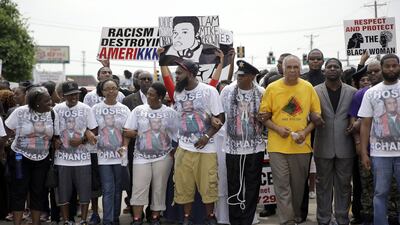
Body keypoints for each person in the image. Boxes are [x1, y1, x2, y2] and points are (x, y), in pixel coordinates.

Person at [258, 55, 321, 225]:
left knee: (298, 187)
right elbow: (263, 116)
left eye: (295, 67)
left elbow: (316, 119)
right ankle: (287, 220)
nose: (292, 70)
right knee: (282, 186)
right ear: (283, 69)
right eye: (289, 67)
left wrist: (304, 132)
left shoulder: (308, 88)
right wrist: (278, 129)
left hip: (302, 146)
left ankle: (295, 215)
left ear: (301, 69)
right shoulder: (272, 88)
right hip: (277, 147)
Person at [164, 58, 225, 225]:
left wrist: (206, 136)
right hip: (184, 147)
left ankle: (210, 218)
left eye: (179, 73)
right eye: (175, 73)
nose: (176, 76)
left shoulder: (209, 91)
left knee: (208, 186)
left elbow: (221, 117)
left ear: (190, 74)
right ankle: (187, 219)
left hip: (206, 149)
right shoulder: (178, 92)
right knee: (184, 186)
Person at [123, 82, 178, 225]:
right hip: (141, 156)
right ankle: (137, 218)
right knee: (139, 187)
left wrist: (175, 151)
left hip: (163, 157)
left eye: (152, 95)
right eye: (148, 94)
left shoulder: (170, 113)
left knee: (159, 187)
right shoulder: (138, 110)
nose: (148, 97)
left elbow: (176, 135)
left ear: (160, 97)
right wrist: (124, 146)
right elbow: (127, 131)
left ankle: (155, 217)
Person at [220, 60, 265, 225]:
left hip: (255, 148)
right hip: (232, 148)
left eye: (243, 75)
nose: (239, 78)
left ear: (252, 77)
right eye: (238, 75)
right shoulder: (227, 91)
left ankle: (247, 220)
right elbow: (220, 114)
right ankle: (235, 220)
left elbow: (268, 116)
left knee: (252, 187)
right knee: (233, 186)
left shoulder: (261, 92)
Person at [313, 58, 357, 225]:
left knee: (344, 186)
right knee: (323, 186)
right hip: (322, 145)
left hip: (346, 145)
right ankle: (323, 219)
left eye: (336, 67)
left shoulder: (352, 91)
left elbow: (356, 114)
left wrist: (355, 124)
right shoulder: (315, 91)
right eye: (329, 67)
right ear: (324, 70)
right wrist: (313, 116)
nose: (332, 69)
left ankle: (342, 218)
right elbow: (310, 111)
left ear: (340, 70)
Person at [5, 86, 56, 225]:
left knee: (38, 191)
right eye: (47, 101)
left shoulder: (50, 113)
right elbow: (8, 129)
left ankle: (35, 223)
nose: (50, 102)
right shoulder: (20, 112)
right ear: (37, 102)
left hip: (42, 159)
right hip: (19, 158)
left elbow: (53, 135)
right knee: (19, 190)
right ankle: (17, 223)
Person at [359, 54, 400, 225]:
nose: (391, 69)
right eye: (387, 66)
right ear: (382, 68)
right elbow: (365, 124)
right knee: (380, 193)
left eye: (394, 65)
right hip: (380, 154)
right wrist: (363, 152)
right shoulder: (371, 93)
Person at [53, 81, 98, 225]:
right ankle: (66, 220)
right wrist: (56, 140)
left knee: (84, 190)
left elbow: (94, 129)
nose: (74, 97)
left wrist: (82, 140)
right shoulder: (57, 109)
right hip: (62, 158)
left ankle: (83, 220)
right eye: (70, 95)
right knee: (63, 191)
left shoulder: (86, 108)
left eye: (76, 94)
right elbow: (52, 131)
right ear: (63, 96)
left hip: (83, 157)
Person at [92, 79, 130, 225]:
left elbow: (127, 131)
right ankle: (107, 220)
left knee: (118, 188)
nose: (111, 91)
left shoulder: (124, 109)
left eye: (114, 88)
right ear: (102, 91)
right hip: (103, 156)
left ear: (118, 89)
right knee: (108, 187)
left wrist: (125, 147)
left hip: (120, 155)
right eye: (107, 89)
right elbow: (92, 129)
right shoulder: (95, 108)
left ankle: (115, 217)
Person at [121, 71, 154, 215]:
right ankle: (136, 212)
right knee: (134, 181)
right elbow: (126, 127)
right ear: (137, 81)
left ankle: (151, 211)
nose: (146, 81)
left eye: (149, 79)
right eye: (143, 79)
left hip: (155, 148)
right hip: (134, 148)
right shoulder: (128, 100)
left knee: (154, 181)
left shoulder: (161, 99)